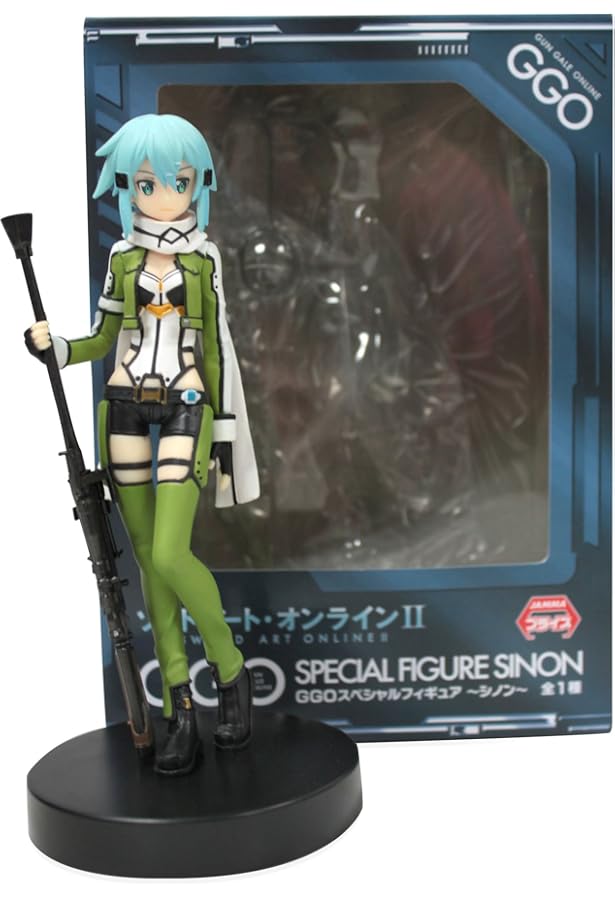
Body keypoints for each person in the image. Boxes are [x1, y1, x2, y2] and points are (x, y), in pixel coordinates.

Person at [26, 113, 260, 776]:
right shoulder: (122, 260)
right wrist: (57, 348)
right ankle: (180, 708)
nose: (163, 196)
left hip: (187, 404)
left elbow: (215, 348)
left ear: (198, 183)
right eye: (148, 183)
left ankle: (230, 670)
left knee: (168, 553)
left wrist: (223, 430)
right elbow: (104, 340)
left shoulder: (204, 260)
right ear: (129, 186)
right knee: (150, 570)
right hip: (124, 406)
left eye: (178, 182)